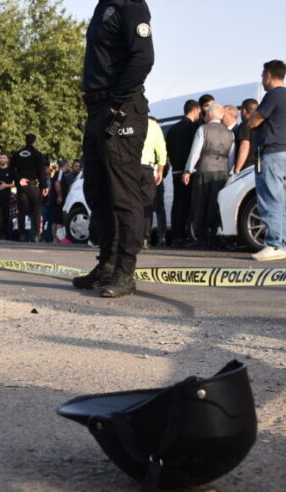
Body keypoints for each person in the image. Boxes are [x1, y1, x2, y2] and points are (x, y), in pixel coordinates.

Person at [73, 0, 154, 298]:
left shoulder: (130, 4)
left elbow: (143, 58)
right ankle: (106, 265)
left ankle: (125, 272)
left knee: (123, 194)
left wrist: (117, 103)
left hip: (121, 108)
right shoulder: (103, 5)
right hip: (96, 109)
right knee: (97, 191)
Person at [246, 59, 286, 262]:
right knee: (279, 200)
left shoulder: (273, 95)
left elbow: (254, 120)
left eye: (262, 76)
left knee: (268, 200)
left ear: (268, 75)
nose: (261, 80)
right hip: (283, 154)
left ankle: (274, 244)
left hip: (270, 155)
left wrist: (252, 120)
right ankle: (280, 243)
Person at [182, 104, 234, 248]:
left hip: (205, 170)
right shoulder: (230, 133)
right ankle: (215, 237)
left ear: (209, 115)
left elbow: (195, 152)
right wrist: (227, 171)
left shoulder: (203, 129)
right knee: (216, 205)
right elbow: (231, 156)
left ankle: (201, 238)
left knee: (200, 204)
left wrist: (188, 170)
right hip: (222, 172)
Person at [165, 100, 201, 247]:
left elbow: (168, 149)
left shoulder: (173, 129)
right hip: (188, 171)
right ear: (195, 110)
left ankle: (175, 235)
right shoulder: (194, 128)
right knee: (186, 204)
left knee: (177, 203)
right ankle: (184, 234)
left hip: (175, 170)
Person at [13, 134, 50, 242]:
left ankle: (22, 234)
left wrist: (18, 180)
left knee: (22, 210)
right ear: (34, 142)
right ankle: (37, 234)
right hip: (33, 185)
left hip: (22, 186)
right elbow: (41, 172)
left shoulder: (17, 154)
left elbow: (11, 170)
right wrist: (44, 186)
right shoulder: (37, 154)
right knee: (37, 210)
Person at [140, 117, 167, 249]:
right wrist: (160, 170)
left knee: (129, 203)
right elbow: (162, 150)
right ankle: (144, 238)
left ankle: (129, 236)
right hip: (147, 169)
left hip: (128, 168)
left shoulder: (126, 120)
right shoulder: (154, 126)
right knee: (147, 204)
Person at [233, 98, 259, 174]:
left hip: (247, 166)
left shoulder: (245, 125)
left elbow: (244, 146)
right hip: (260, 163)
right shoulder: (262, 124)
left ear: (244, 111)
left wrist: (237, 168)